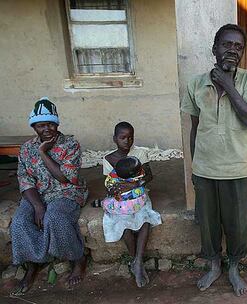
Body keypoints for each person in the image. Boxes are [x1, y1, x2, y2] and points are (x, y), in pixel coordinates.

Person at [180, 24, 247, 296]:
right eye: (226, 44)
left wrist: (229, 86)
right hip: (206, 169)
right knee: (207, 223)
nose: (232, 50)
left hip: (238, 169)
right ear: (214, 49)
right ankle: (214, 265)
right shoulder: (196, 84)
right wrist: (195, 167)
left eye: (238, 46)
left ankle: (233, 268)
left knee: (236, 224)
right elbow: (196, 127)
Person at [10, 97, 88, 295]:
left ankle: (77, 258)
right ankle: (34, 262)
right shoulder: (27, 148)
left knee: (56, 218)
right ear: (34, 126)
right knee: (19, 221)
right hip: (37, 195)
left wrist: (44, 153)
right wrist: (38, 206)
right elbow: (24, 179)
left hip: (66, 192)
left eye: (51, 124)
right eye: (41, 125)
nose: (47, 129)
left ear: (57, 124)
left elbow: (65, 177)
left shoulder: (70, 145)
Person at [102, 122, 161, 288]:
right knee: (123, 225)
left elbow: (149, 175)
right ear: (115, 139)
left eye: (130, 137)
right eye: (122, 138)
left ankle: (138, 261)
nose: (127, 141)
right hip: (120, 201)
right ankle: (136, 261)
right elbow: (108, 183)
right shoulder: (108, 159)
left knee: (144, 220)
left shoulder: (140, 154)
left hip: (139, 197)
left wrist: (136, 185)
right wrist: (115, 191)